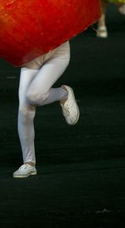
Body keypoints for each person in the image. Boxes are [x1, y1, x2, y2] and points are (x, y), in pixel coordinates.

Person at [13, 41, 80, 178]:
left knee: (34, 96)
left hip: (57, 51)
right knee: (24, 111)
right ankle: (29, 163)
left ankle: (64, 94)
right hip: (31, 53)